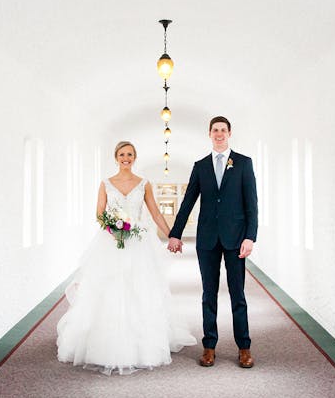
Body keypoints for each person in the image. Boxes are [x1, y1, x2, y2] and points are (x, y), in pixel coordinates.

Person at [56, 141, 196, 374]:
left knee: (139, 289)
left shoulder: (143, 184)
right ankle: (103, 346)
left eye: (130, 154)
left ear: (135, 157)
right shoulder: (106, 184)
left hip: (139, 244)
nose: (126, 158)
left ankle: (142, 346)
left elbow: (155, 212)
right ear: (116, 157)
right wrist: (114, 228)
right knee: (108, 289)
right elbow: (99, 214)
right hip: (111, 242)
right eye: (122, 154)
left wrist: (173, 235)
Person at [168, 116, 258, 368]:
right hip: (207, 239)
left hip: (236, 239)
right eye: (215, 130)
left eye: (223, 130)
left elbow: (252, 204)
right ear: (209, 134)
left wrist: (250, 236)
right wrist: (175, 233)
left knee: (237, 294)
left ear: (229, 133)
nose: (219, 134)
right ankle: (209, 346)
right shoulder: (200, 166)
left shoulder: (243, 163)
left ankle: (244, 347)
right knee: (209, 294)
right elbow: (187, 202)